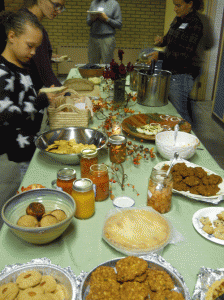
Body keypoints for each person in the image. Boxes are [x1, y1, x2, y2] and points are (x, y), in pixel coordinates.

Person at [0, 10, 56, 163]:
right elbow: (6, 114)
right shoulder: (3, 72)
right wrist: (40, 102)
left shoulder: (21, 65)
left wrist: (41, 94)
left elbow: (22, 96)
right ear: (11, 36)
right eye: (30, 46)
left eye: (36, 47)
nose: (33, 52)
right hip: (18, 149)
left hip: (31, 142)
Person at [147, 0, 204, 123]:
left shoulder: (195, 24)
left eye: (179, 5)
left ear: (190, 4)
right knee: (171, 111)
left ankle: (186, 138)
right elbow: (168, 39)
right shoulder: (178, 19)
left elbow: (186, 55)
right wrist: (161, 41)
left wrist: (160, 55)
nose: (175, 9)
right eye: (174, 5)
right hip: (170, 72)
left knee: (180, 114)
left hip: (182, 75)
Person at [20, 0, 66, 91]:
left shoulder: (22, 16)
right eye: (56, 5)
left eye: (61, 7)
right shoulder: (30, 26)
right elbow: (46, 73)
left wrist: (47, 56)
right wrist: (66, 93)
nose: (59, 11)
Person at [87, 0, 122, 64]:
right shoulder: (93, 3)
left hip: (107, 38)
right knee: (93, 64)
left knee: (107, 65)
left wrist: (106, 19)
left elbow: (119, 24)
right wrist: (92, 19)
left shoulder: (114, 4)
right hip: (93, 38)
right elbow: (88, 22)